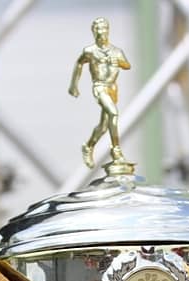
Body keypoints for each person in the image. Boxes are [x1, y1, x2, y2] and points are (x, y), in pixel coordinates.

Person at [69, 17, 130, 169]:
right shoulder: (90, 51)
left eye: (103, 28)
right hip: (99, 86)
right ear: (93, 32)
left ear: (108, 30)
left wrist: (118, 62)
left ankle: (88, 146)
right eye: (98, 29)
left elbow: (127, 65)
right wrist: (74, 85)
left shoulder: (116, 51)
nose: (101, 32)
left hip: (112, 88)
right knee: (114, 113)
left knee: (103, 127)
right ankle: (116, 151)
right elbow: (79, 63)